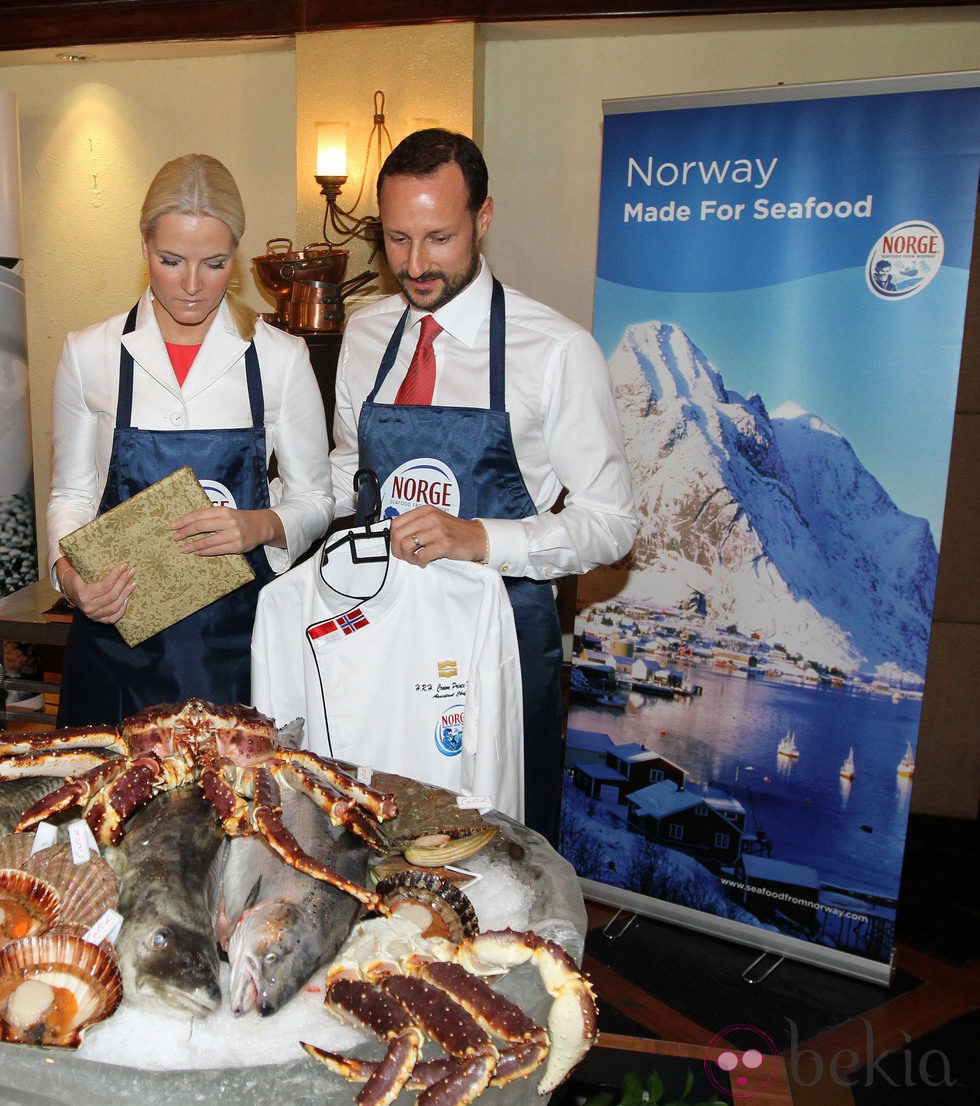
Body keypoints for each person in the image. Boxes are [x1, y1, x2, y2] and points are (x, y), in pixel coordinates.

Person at [330, 129, 637, 842]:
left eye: (438, 238)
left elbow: (611, 522)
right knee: (379, 841)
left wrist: (479, 538)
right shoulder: (367, 334)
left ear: (484, 218)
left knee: (499, 850)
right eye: (398, 239)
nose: (414, 264)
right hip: (381, 637)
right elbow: (353, 471)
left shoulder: (556, 351)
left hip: (497, 643)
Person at [49, 153, 334, 726]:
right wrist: (71, 577)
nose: (191, 286)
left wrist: (259, 525)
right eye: (170, 260)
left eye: (215, 264)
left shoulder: (279, 359)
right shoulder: (90, 354)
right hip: (116, 645)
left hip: (236, 646)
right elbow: (72, 495)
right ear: (144, 247)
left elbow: (316, 499)